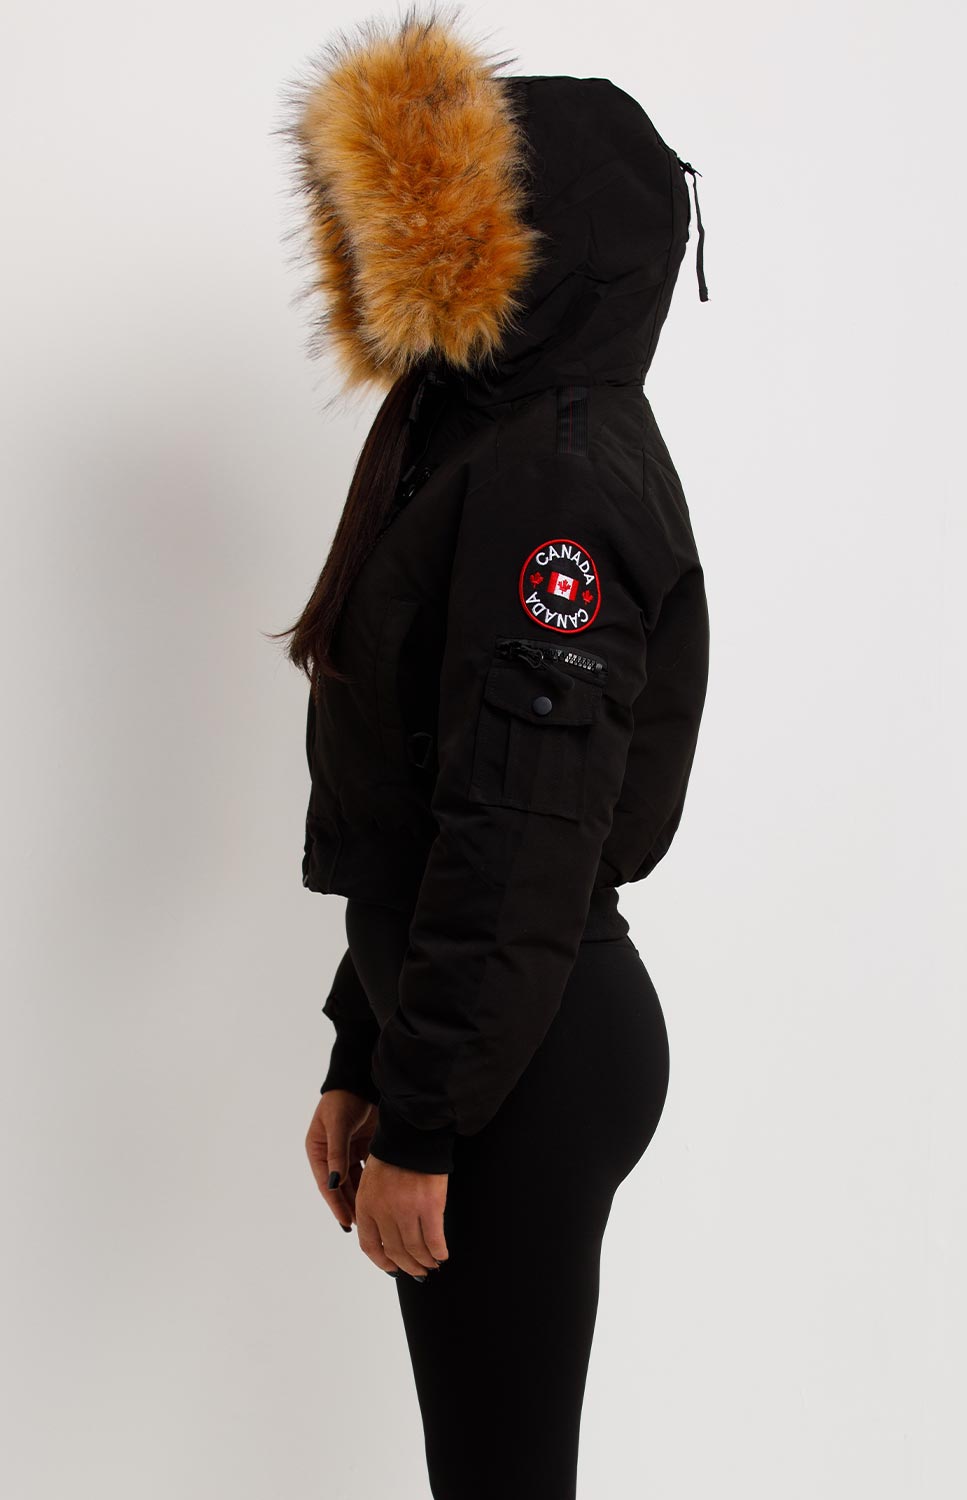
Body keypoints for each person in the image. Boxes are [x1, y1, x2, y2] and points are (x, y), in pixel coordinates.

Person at [272, 5, 711, 1496]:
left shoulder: (556, 478)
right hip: (483, 1036)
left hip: (524, 1061)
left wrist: (431, 1115)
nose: (410, 244)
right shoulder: (481, 443)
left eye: (452, 214)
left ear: (541, 247)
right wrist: (363, 1049)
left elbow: (522, 833)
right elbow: (424, 793)